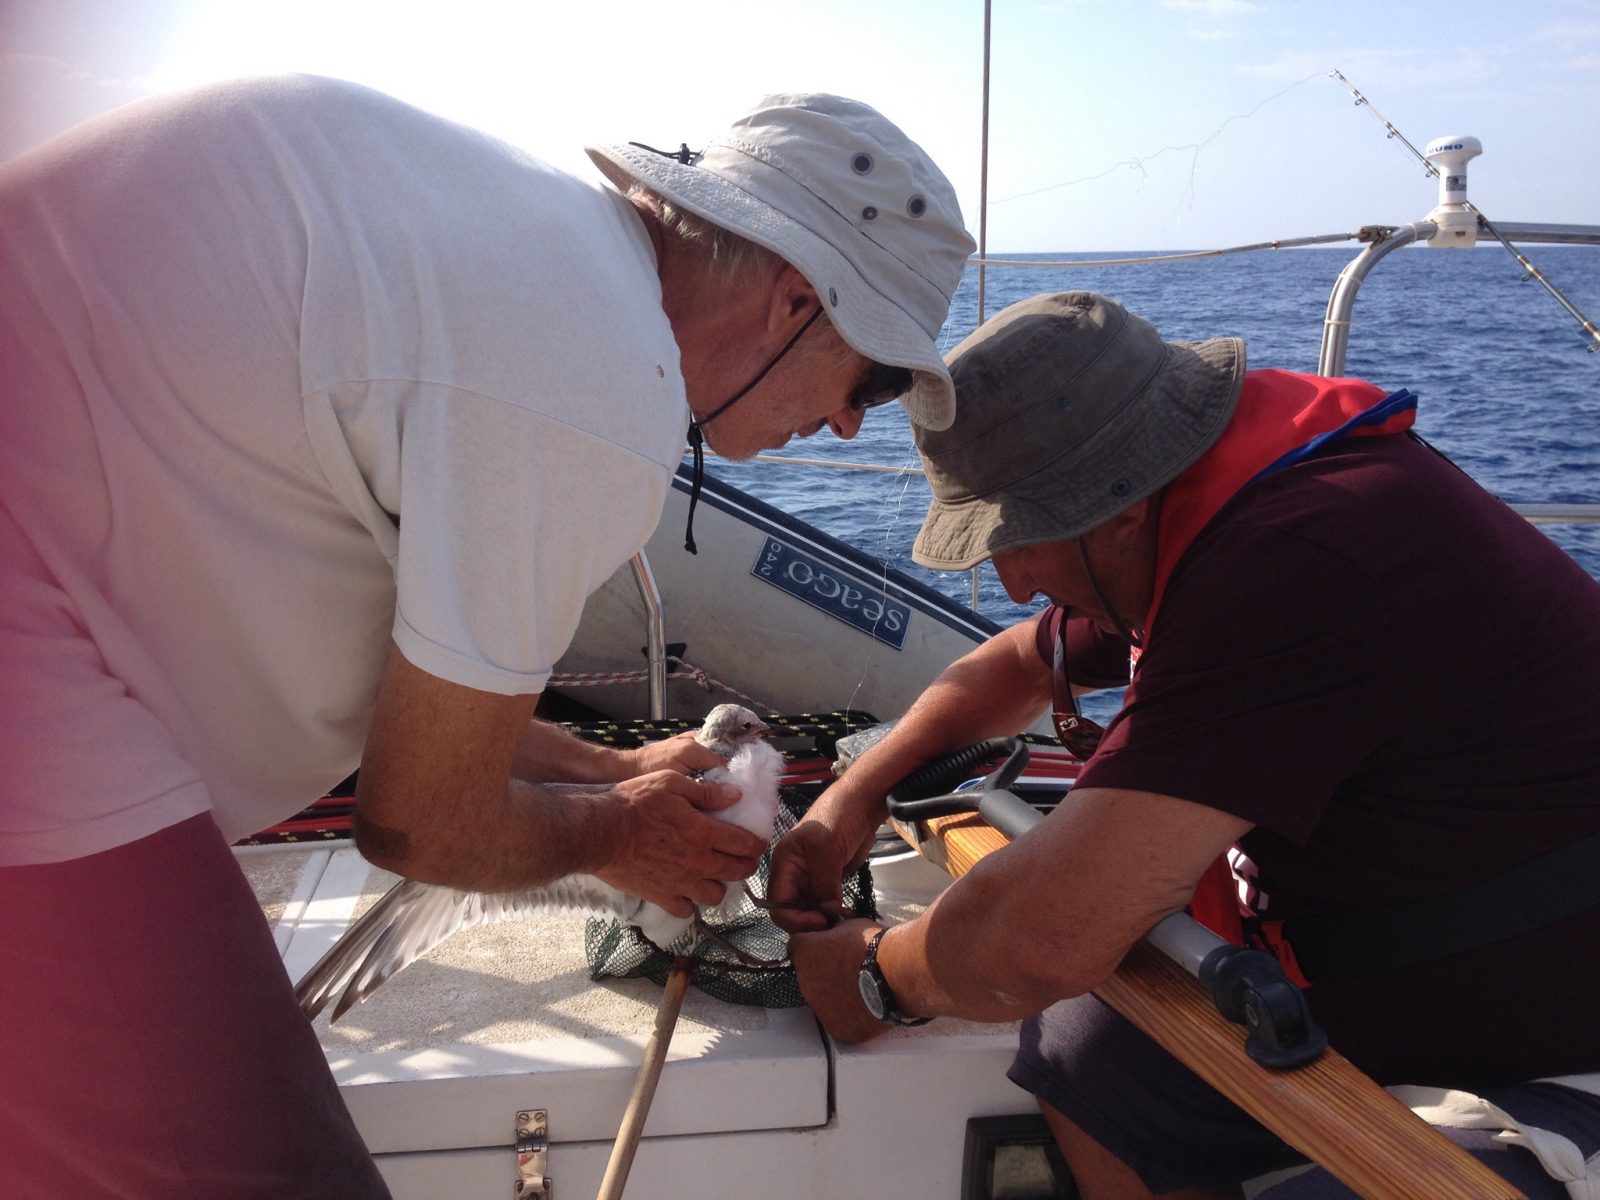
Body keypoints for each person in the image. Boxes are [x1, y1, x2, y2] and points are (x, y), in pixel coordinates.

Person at [0, 76, 974, 1197]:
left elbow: (415, 701)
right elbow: (421, 824)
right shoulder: (594, 379)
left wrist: (610, 775)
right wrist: (615, 833)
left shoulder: (533, 260)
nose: (855, 420)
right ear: (795, 297)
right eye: (878, 374)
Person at [772, 291, 1600, 1198]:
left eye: (1021, 538)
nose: (1011, 581)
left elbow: (1047, 934)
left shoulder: (1302, 559)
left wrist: (874, 980)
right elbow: (1013, 665)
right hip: (1365, 974)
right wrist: (853, 798)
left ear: (1118, 507)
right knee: (1088, 1055)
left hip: (1553, 1035)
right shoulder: (1193, 521)